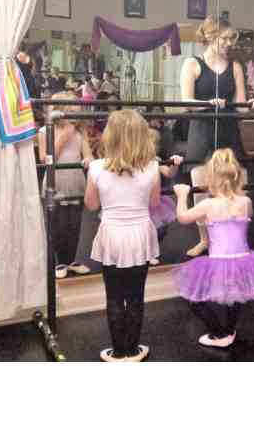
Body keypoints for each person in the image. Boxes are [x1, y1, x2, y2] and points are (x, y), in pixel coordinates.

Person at [171, 149, 254, 348]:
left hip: (219, 260)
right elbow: (247, 216)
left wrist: (181, 195)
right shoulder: (246, 202)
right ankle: (229, 330)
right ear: (237, 177)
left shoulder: (208, 204)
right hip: (243, 259)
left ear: (211, 178)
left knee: (193, 297)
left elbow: (183, 218)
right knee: (235, 294)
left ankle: (219, 334)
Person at [179, 16, 254, 257]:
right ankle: (205, 240)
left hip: (228, 132)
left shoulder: (235, 67)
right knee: (201, 189)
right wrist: (207, 103)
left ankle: (236, 239)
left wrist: (252, 104)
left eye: (231, 39)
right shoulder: (192, 64)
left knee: (239, 186)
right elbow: (186, 103)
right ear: (210, 36)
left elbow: (241, 107)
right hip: (201, 133)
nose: (229, 43)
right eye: (225, 38)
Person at [84, 109, 161, 362]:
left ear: (110, 136)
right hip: (140, 235)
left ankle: (118, 352)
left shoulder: (96, 167)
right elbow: (155, 202)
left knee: (114, 296)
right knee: (136, 296)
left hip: (112, 235)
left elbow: (91, 205)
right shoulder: (152, 167)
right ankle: (133, 350)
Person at [38, 91, 94, 279]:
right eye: (72, 110)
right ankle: (59, 262)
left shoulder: (80, 132)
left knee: (74, 225)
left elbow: (88, 154)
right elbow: (46, 159)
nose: (76, 114)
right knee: (58, 226)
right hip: (56, 183)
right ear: (60, 111)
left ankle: (71, 260)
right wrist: (64, 136)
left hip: (75, 182)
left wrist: (88, 159)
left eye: (77, 111)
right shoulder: (45, 131)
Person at [148, 127, 183, 261]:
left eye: (155, 143)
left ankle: (151, 250)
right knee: (144, 229)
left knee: (160, 229)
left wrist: (174, 164)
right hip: (141, 200)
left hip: (156, 199)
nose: (153, 146)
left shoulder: (156, 160)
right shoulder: (134, 160)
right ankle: (146, 252)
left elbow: (169, 173)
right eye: (150, 142)